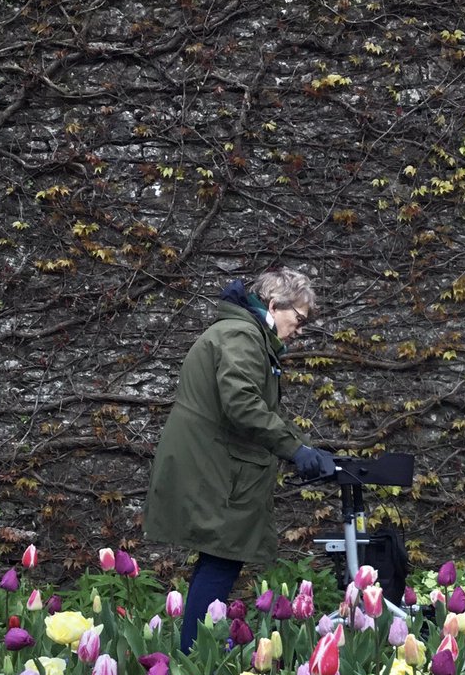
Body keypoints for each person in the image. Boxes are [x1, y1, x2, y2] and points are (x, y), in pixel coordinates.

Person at [143, 266, 336, 652]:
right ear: (272, 303)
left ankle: (192, 666)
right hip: (216, 473)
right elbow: (242, 403)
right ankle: (192, 670)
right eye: (297, 319)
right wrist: (296, 450)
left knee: (216, 562)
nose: (298, 330)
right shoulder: (242, 335)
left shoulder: (240, 333)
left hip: (213, 469)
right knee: (221, 561)